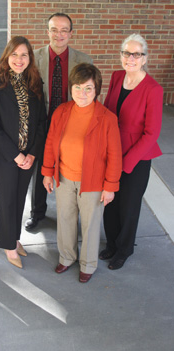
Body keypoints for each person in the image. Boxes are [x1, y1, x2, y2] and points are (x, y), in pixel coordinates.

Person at [42, 63, 122, 283]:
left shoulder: (107, 118)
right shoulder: (62, 111)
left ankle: (88, 263)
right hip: (64, 179)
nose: (82, 93)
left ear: (96, 89)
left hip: (93, 183)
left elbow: (115, 155)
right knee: (65, 219)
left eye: (88, 88)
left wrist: (110, 186)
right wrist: (48, 172)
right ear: (71, 89)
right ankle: (67, 257)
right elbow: (50, 143)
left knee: (90, 224)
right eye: (77, 87)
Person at [99, 34, 163, 270]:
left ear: (144, 58)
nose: (131, 58)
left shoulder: (153, 89)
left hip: (136, 160)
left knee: (128, 205)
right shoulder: (117, 77)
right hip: (112, 152)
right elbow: (106, 112)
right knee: (109, 202)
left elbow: (151, 134)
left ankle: (124, 249)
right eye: (126, 53)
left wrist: (125, 164)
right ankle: (112, 243)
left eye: (136, 54)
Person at [25, 12, 93, 231]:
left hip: (71, 123)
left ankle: (73, 214)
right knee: (39, 168)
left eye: (64, 30)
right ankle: (37, 212)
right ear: (48, 32)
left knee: (71, 168)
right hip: (42, 123)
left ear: (71, 34)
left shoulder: (83, 60)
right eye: (54, 29)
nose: (59, 34)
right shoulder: (33, 58)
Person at [0, 36, 46, 269]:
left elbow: (41, 122)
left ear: (30, 58)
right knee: (8, 197)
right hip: (5, 154)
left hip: (28, 154)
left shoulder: (35, 83)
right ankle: (8, 245)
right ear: (7, 57)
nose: (19, 60)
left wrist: (32, 153)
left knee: (20, 197)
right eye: (15, 54)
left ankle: (15, 237)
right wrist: (16, 155)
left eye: (24, 55)